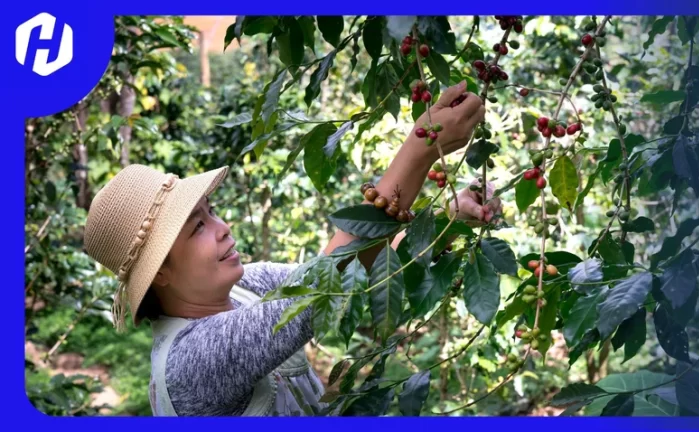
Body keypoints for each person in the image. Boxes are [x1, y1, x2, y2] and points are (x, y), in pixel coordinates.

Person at [83, 80, 502, 417]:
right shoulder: (191, 363)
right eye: (197, 227)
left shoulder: (246, 287)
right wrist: (419, 149)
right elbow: (319, 289)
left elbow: (343, 267)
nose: (223, 228)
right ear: (160, 273)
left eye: (210, 213)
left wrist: (448, 215)